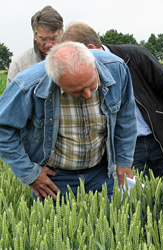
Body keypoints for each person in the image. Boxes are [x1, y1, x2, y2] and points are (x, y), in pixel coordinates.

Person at [0, 42, 137, 201]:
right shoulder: (29, 84)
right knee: (56, 226)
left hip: (102, 171)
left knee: (110, 222)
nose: (87, 94)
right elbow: (3, 128)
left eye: (91, 85)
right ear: (58, 83)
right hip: (55, 179)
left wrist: (124, 161)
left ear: (94, 67)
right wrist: (30, 174)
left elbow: (126, 116)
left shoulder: (116, 68)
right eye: (77, 91)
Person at [60, 22, 163, 178]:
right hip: (129, 147)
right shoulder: (85, 77)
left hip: (159, 138)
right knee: (138, 196)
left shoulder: (136, 56)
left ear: (90, 49)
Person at [7, 5, 63, 86]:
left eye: (53, 38)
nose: (48, 44)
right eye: (43, 39)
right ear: (35, 36)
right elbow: (10, 98)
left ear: (61, 33)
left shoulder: (75, 60)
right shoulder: (19, 65)